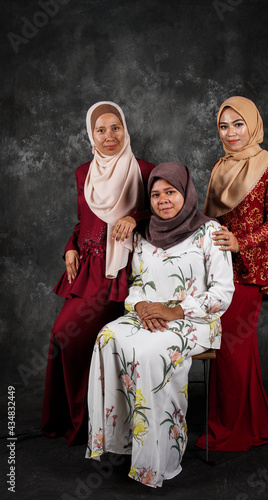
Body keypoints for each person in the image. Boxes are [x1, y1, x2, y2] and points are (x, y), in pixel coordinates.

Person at [85, 162, 235, 488]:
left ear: (186, 193)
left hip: (194, 319)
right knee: (107, 336)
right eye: (155, 194)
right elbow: (137, 284)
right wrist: (140, 306)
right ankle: (122, 442)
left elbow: (222, 294)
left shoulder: (210, 232)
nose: (163, 199)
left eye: (171, 192)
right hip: (147, 312)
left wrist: (175, 311)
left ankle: (156, 461)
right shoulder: (144, 234)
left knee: (151, 352)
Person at [41, 101, 155, 446]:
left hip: (127, 272)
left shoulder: (146, 170)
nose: (109, 136)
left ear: (125, 129)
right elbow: (83, 221)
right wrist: (70, 247)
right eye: (100, 130)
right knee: (66, 336)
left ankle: (111, 425)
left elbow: (167, 211)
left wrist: (135, 217)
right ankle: (77, 420)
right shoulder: (83, 173)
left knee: (101, 343)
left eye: (115, 127)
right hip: (90, 268)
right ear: (91, 134)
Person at [196, 95, 268, 452]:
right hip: (218, 268)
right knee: (228, 347)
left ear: (252, 124)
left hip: (251, 270)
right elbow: (210, 221)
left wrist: (241, 242)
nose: (231, 132)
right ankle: (243, 420)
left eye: (238, 124)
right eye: (224, 125)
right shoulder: (220, 166)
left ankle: (233, 429)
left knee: (232, 347)